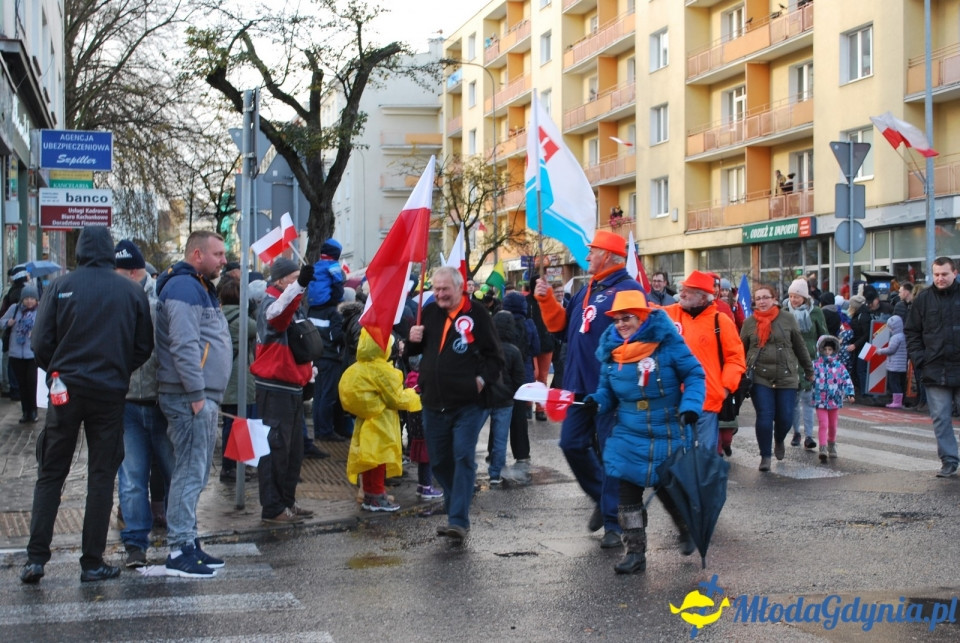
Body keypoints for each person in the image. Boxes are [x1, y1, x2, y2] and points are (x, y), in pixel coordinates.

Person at [21, 226, 153, 584]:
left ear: (79, 250)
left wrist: (58, 372)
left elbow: (40, 342)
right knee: (101, 475)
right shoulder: (131, 291)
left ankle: (35, 559)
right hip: (109, 392)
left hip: (66, 390)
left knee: (50, 473)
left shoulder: (60, 287)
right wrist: (118, 369)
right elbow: (144, 346)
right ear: (110, 251)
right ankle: (91, 562)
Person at [533, 230, 645, 549]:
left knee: (611, 454)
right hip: (579, 385)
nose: (587, 257)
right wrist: (545, 300)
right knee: (571, 444)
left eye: (592, 252)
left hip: (612, 389)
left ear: (608, 256)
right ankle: (603, 498)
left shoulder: (629, 290)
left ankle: (613, 522)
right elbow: (560, 327)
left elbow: (640, 339)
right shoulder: (586, 290)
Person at [585, 291, 706, 574]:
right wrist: (597, 402)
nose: (621, 324)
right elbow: (607, 392)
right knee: (628, 495)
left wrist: (690, 406)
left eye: (627, 318)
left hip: (668, 426)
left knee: (667, 488)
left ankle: (686, 527)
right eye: (616, 319)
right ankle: (635, 552)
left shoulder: (667, 344)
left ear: (642, 316)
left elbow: (694, 374)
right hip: (629, 431)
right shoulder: (611, 352)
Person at [407, 266, 504, 542]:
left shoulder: (478, 314)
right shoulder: (429, 313)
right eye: (435, 289)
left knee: (462, 455)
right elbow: (419, 351)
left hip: (469, 403)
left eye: (444, 289)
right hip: (434, 402)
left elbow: (495, 357)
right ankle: (457, 502)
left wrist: (482, 380)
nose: (439, 294)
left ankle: (458, 520)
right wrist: (411, 340)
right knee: (439, 460)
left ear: (459, 288)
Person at [155, 230, 232, 578]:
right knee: (189, 472)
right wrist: (198, 396)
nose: (224, 260)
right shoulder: (185, 288)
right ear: (197, 255)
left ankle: (188, 543)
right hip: (189, 397)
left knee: (195, 472)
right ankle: (178, 550)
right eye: (218, 254)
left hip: (195, 396)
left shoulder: (196, 285)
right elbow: (184, 346)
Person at [113, 239, 173, 569]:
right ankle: (135, 544)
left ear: (134, 272)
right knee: (132, 476)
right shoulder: (117, 302)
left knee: (173, 472)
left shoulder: (159, 304)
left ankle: (183, 537)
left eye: (118, 272)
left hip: (159, 401)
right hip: (127, 403)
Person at [250, 258, 316, 524]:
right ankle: (273, 507)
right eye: (294, 278)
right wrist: (299, 287)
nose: (299, 283)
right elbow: (278, 316)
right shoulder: (271, 303)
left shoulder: (293, 303)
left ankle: (287, 502)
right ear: (279, 280)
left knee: (293, 450)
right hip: (275, 388)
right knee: (275, 449)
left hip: (292, 388)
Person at [662, 270, 746, 454]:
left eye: (688, 291)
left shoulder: (720, 321)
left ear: (702, 298)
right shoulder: (670, 314)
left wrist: (724, 388)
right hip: (674, 399)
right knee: (677, 453)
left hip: (706, 401)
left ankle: (703, 481)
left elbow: (736, 358)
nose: (682, 294)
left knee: (705, 455)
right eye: (682, 289)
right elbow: (647, 312)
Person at [340, 329, 422, 512]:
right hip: (381, 422)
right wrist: (415, 396)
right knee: (379, 459)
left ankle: (369, 494)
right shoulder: (383, 370)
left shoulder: (357, 367)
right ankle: (377, 496)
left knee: (369, 459)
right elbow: (396, 399)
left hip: (365, 421)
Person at [740, 283, 814, 472]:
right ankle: (765, 456)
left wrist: (809, 370)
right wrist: (739, 372)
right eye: (758, 298)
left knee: (785, 418)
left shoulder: (787, 319)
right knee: (764, 416)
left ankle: (779, 439)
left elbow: (800, 346)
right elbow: (740, 350)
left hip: (786, 376)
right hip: (760, 377)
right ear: (754, 302)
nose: (762, 301)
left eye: (766, 297)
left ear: (774, 299)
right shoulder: (749, 323)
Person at [904, 256, 960, 478]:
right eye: (936, 274)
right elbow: (912, 332)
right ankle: (949, 460)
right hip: (935, 368)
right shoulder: (924, 299)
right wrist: (920, 359)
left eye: (944, 274)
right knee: (940, 417)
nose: (940, 278)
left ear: (954, 272)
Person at [218, 276, 258, 482]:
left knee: (229, 422)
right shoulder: (243, 320)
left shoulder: (217, 315)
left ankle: (230, 465)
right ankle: (232, 467)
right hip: (239, 379)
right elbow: (259, 326)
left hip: (222, 377)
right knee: (242, 423)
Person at [784, 278, 828, 451]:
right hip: (789, 361)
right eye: (791, 296)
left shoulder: (815, 312)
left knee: (808, 400)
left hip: (810, 361)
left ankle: (809, 436)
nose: (794, 300)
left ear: (805, 297)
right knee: (793, 400)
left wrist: (825, 356)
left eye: (797, 296)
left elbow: (823, 335)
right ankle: (796, 432)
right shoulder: (783, 312)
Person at [489, 310, 528, 483]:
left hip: (485, 397)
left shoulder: (487, 348)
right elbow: (520, 378)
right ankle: (495, 474)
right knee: (500, 438)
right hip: (505, 400)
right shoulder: (514, 351)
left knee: (472, 435)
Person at [501, 290, 538, 455]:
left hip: (503, 375)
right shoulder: (529, 324)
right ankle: (522, 453)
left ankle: (494, 454)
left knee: (499, 416)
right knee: (519, 416)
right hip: (523, 375)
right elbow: (537, 348)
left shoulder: (500, 321)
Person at [402, 357, 443, 500]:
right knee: (428, 457)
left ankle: (421, 485)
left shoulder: (410, 378)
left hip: (414, 424)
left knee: (422, 458)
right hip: (425, 421)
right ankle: (427, 487)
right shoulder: (424, 379)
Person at [811, 335, 855, 463]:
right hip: (820, 399)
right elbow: (808, 375)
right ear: (820, 350)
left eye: (830, 350)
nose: (828, 352)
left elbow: (847, 380)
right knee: (823, 424)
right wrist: (807, 380)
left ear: (834, 350)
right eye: (825, 350)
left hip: (834, 400)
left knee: (833, 425)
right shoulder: (816, 365)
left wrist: (850, 393)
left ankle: (831, 444)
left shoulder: (839, 366)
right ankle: (823, 447)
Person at [1, 283, 40, 423]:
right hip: (16, 353)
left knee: (32, 383)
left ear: (36, 300)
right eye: (26, 298)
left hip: (32, 354)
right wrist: (8, 323)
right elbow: (2, 321)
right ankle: (25, 412)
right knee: (21, 384)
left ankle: (34, 411)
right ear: (22, 299)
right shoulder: (14, 309)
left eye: (32, 298)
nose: (29, 301)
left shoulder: (40, 311)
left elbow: (46, 328)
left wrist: (35, 333)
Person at [527, 276, 555, 423]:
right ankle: (527, 406)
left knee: (542, 378)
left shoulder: (549, 302)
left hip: (546, 344)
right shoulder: (527, 303)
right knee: (532, 375)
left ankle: (540, 409)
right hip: (531, 346)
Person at [878, 315, 908, 409]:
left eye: (890, 327)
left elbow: (891, 350)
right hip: (902, 365)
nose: (889, 329)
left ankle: (896, 402)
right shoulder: (903, 336)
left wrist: (880, 351)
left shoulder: (895, 337)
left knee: (894, 383)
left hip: (894, 365)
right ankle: (900, 401)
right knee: (900, 383)